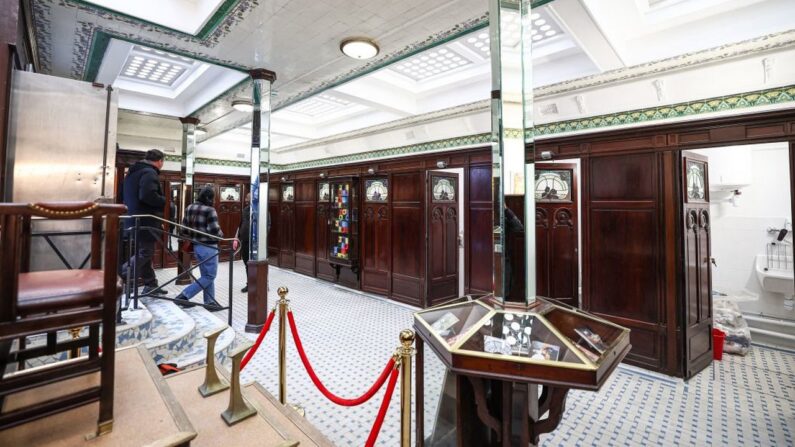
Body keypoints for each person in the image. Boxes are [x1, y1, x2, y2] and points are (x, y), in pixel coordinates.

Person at [121, 149, 168, 296]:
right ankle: (121, 273)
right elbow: (148, 195)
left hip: (132, 219)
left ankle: (151, 284)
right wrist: (164, 200)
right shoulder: (149, 172)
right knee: (146, 252)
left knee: (143, 253)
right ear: (160, 161)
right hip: (145, 219)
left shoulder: (132, 172)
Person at [175, 186, 224, 309]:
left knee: (206, 275)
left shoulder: (189, 207)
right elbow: (214, 230)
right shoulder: (210, 210)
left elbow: (183, 229)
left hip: (196, 246)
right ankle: (184, 296)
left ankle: (209, 302)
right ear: (209, 198)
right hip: (209, 246)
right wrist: (222, 235)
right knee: (209, 276)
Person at [235, 192, 251, 293]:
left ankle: (262, 283)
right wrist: (237, 236)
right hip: (244, 241)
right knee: (247, 263)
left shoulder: (261, 210)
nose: (245, 200)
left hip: (255, 243)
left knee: (256, 264)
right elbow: (241, 224)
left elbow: (267, 226)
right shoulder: (245, 210)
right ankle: (249, 284)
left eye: (247, 198)